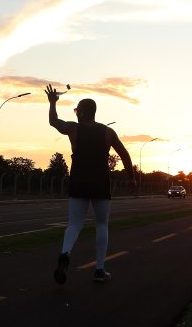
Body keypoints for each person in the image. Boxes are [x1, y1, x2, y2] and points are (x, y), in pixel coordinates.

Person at [45, 84, 136, 284]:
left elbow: (53, 121)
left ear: (82, 112)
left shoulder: (73, 128)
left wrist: (52, 103)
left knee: (74, 225)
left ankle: (65, 254)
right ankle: (99, 270)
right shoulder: (108, 132)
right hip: (100, 182)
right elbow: (125, 154)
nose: (75, 114)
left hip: (78, 180)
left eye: (77, 110)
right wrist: (131, 178)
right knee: (102, 224)